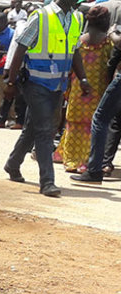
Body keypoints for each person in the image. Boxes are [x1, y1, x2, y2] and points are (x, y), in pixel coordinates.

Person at [4, 0, 89, 197]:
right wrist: (10, 81)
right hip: (36, 82)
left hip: (58, 84)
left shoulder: (76, 17)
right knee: (45, 130)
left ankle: (13, 163)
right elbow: (21, 47)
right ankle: (47, 182)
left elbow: (74, 50)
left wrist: (83, 78)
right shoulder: (41, 16)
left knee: (33, 128)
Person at [64, 6, 115, 176]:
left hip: (79, 87)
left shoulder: (79, 40)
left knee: (74, 122)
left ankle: (70, 159)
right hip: (99, 90)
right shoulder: (108, 43)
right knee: (95, 124)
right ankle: (88, 160)